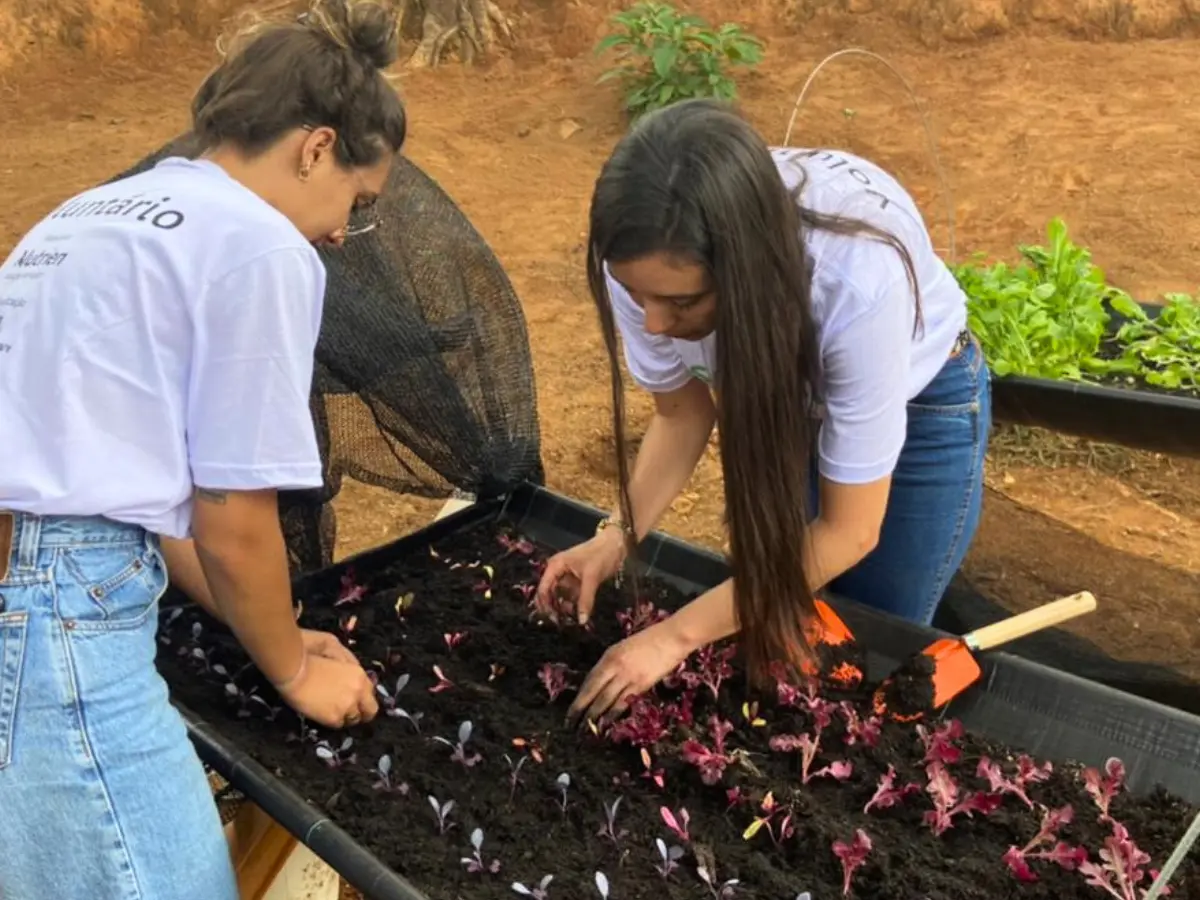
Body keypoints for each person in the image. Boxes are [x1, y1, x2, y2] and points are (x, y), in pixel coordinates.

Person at [0, 1, 406, 897]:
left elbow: (143, 499)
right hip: (59, 611)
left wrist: (266, 626)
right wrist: (294, 670)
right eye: (358, 201)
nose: (343, 232)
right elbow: (230, 522)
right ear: (315, 147)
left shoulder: (94, 211)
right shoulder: (257, 246)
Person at [537, 98, 992, 725]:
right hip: (790, 396)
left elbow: (847, 530)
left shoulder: (856, 282)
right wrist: (613, 537)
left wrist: (671, 638)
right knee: (784, 619)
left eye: (680, 302)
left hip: (921, 405)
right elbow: (682, 414)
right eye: (636, 296)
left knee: (870, 635)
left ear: (746, 269)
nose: (653, 323)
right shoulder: (648, 258)